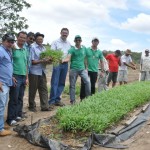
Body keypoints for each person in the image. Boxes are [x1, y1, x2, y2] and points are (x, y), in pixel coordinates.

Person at [6, 31, 28, 126]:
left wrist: (27, 77)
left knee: (20, 97)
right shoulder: (13, 49)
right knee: (14, 98)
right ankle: (10, 119)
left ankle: (17, 115)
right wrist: (11, 76)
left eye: (24, 38)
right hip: (16, 76)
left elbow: (26, 64)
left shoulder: (24, 50)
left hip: (23, 76)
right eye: (21, 37)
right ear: (17, 37)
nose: (22, 39)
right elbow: (9, 63)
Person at [62, 35, 91, 104]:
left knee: (87, 82)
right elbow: (68, 58)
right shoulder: (72, 49)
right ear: (74, 41)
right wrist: (63, 60)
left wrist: (86, 67)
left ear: (81, 41)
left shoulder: (84, 48)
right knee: (72, 85)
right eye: (76, 40)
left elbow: (87, 57)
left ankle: (88, 98)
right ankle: (73, 101)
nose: (78, 41)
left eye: (79, 40)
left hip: (82, 69)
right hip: (73, 69)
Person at [28, 32, 51, 112]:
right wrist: (42, 60)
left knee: (43, 89)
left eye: (41, 39)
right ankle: (31, 106)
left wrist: (49, 61)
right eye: (38, 39)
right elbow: (32, 61)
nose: (40, 40)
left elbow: (46, 61)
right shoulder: (32, 47)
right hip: (34, 72)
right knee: (33, 90)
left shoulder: (44, 48)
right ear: (35, 39)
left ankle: (45, 106)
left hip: (42, 71)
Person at [49, 28, 71, 107]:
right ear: (60, 33)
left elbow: (69, 54)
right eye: (63, 32)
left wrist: (65, 60)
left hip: (65, 64)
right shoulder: (55, 42)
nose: (64, 34)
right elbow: (52, 54)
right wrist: (59, 59)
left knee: (61, 82)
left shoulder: (69, 43)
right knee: (55, 82)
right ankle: (52, 101)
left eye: (66, 33)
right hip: (57, 63)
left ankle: (57, 99)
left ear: (68, 34)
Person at [0, 33, 15, 136]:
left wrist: (11, 77)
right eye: (8, 41)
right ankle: (0, 130)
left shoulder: (8, 51)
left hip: (6, 82)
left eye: (12, 42)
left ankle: (0, 125)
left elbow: (6, 66)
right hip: (2, 83)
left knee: (3, 105)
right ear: (3, 41)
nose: (10, 43)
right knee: (1, 106)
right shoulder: (1, 50)